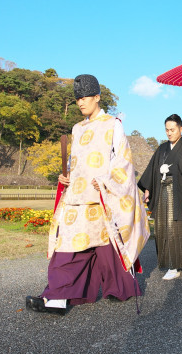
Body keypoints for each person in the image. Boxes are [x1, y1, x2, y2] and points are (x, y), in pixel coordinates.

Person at [26, 74, 149, 315]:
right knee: (69, 248)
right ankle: (57, 298)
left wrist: (105, 180)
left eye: (84, 97)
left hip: (100, 197)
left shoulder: (113, 124)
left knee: (106, 248)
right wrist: (67, 177)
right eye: (77, 99)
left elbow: (123, 162)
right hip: (76, 199)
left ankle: (118, 288)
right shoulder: (77, 128)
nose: (80, 102)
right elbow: (77, 164)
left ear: (97, 97)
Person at [138, 114, 182, 280]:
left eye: (173, 129)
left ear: (181, 129)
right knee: (162, 226)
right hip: (162, 191)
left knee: (175, 227)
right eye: (167, 130)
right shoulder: (162, 148)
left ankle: (175, 265)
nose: (169, 133)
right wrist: (148, 188)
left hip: (178, 193)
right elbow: (152, 169)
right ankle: (168, 262)